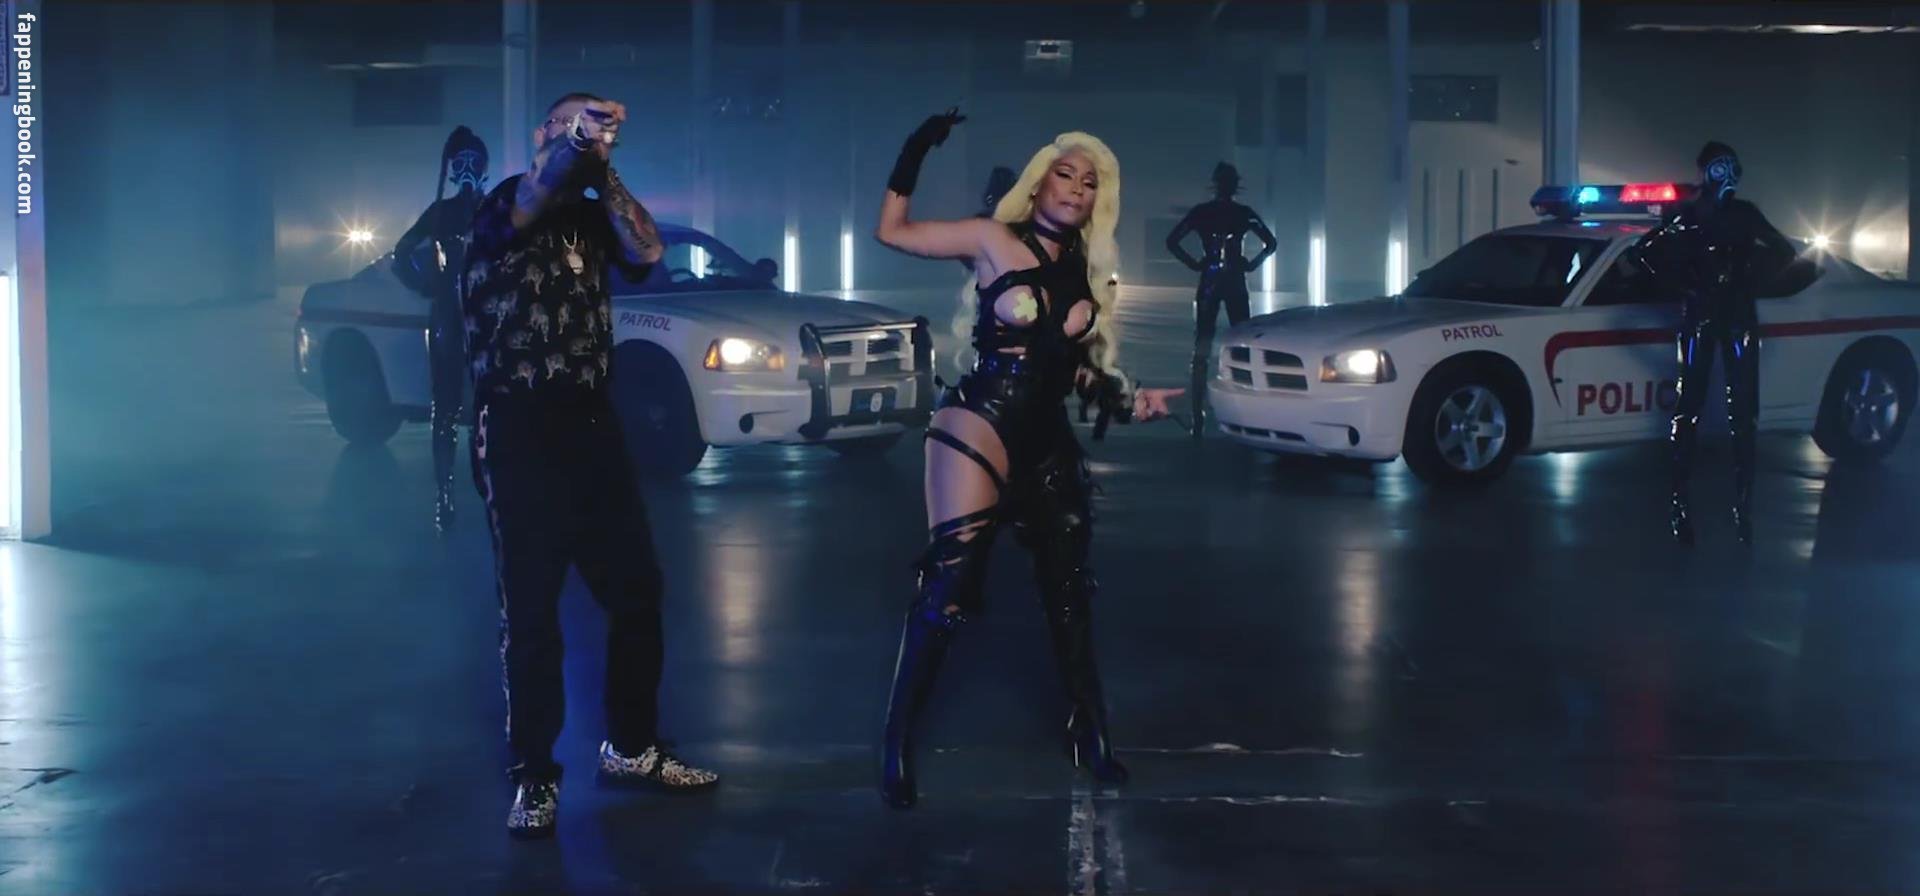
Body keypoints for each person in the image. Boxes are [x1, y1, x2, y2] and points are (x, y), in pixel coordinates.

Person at [872, 110, 1184, 809]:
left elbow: (1077, 372)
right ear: (1039, 184)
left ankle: (1090, 730)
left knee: (1070, 590)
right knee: (949, 583)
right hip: (979, 419)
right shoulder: (992, 240)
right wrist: (914, 148)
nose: (1075, 188)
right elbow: (892, 231)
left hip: (1045, 434)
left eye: (1089, 182)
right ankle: (896, 738)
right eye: (1064, 174)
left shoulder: (1088, 272)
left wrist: (1130, 400)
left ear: (1097, 201)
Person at [463, 92, 719, 840]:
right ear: (542, 134)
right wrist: (575, 142)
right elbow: (537, 192)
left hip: (592, 426)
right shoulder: (507, 201)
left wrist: (602, 169)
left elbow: (647, 252)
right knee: (532, 612)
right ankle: (534, 777)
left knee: (638, 591)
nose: (587, 135)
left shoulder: (591, 213)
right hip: (519, 427)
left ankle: (632, 748)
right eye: (572, 124)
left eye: (599, 126)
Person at [1636, 141, 1798, 545]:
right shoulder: (1690, 214)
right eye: (1718, 168)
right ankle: (1682, 505)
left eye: (1730, 167)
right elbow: (1645, 252)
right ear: (1706, 171)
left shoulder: (1743, 213)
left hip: (1736, 316)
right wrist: (1686, 286)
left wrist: (1749, 280)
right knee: (1689, 408)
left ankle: (1742, 508)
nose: (1726, 175)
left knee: (1742, 413)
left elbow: (1784, 251)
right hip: (1704, 316)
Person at [392, 126, 489, 532]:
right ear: (451, 170)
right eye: (460, 164)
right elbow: (401, 255)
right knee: (445, 408)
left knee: (487, 407)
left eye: (473, 164)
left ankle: (487, 487)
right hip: (447, 317)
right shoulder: (439, 213)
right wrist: (426, 286)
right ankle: (444, 492)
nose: (466, 171)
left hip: (485, 319)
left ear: (483, 169)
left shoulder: (494, 211)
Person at [1164, 162, 1276, 437]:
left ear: (1215, 185)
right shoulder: (1243, 214)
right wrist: (1250, 264)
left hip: (1211, 280)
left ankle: (1197, 414)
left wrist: (1196, 263)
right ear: (1235, 185)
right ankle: (1247, 410)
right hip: (1235, 280)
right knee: (1242, 344)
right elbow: (1270, 243)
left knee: (1202, 345)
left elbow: (1172, 241)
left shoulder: (1203, 213)